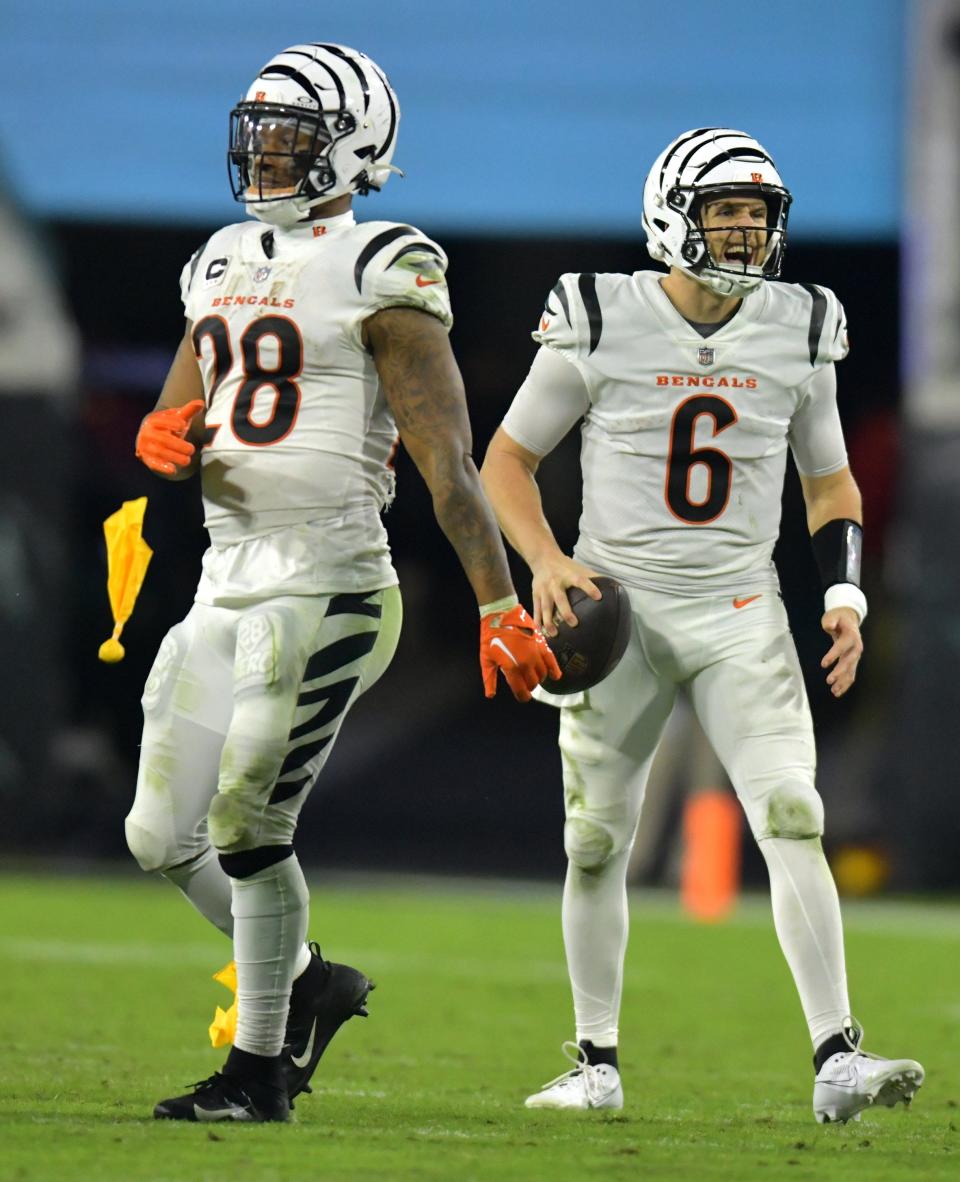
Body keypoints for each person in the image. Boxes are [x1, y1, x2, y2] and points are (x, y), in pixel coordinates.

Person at [125, 42, 559, 1124]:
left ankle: (258, 1073)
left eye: (292, 137)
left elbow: (444, 461)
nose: (267, 154)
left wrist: (497, 603)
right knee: (156, 835)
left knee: (247, 821)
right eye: (259, 134)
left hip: (330, 581)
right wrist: (164, 435)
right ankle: (309, 978)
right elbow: (183, 401)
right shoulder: (220, 255)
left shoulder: (387, 262)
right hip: (228, 577)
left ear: (355, 149)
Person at [480, 128, 923, 1124]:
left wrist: (844, 592)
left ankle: (837, 1056)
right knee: (595, 842)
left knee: (793, 814)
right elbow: (504, 460)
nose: (745, 234)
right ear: (672, 215)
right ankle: (595, 1064)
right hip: (621, 610)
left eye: (758, 217)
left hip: (739, 610)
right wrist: (547, 563)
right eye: (725, 213)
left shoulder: (800, 323)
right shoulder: (602, 314)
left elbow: (830, 479)